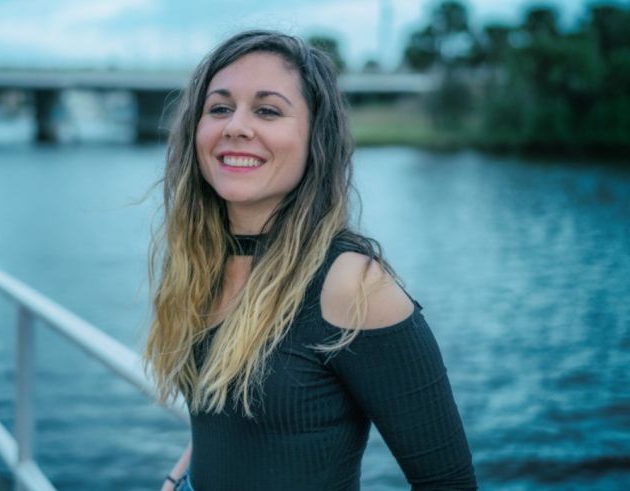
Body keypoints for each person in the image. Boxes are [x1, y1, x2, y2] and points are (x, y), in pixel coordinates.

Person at [144, 30, 477, 491]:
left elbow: (450, 484)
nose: (236, 126)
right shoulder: (203, 262)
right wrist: (176, 478)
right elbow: (225, 412)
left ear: (314, 138)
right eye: (220, 107)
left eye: (268, 110)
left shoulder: (351, 283)